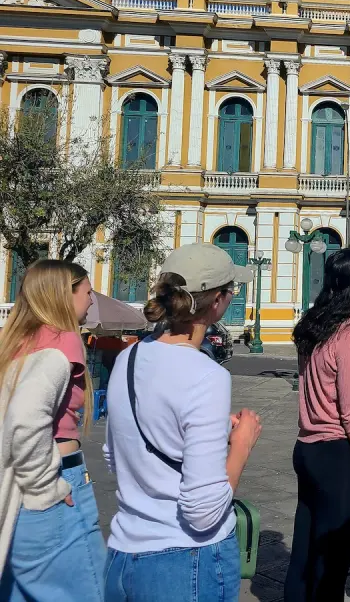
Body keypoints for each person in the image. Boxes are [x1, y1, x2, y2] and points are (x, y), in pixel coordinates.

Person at [103, 243, 262, 602]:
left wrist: (209, 426)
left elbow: (115, 455)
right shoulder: (206, 375)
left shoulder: (128, 358)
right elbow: (203, 512)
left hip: (122, 554)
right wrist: (241, 443)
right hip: (184, 560)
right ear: (218, 301)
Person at [0, 259, 104, 601]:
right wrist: (46, 487)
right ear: (65, 294)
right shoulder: (63, 344)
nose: (91, 300)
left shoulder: (16, 340)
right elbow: (25, 418)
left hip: (15, 492)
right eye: (87, 292)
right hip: (55, 480)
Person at [285, 247, 350, 601]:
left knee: (305, 552)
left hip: (307, 448)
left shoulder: (311, 328)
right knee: (332, 563)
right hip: (339, 455)